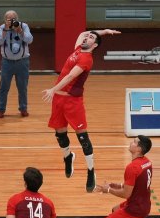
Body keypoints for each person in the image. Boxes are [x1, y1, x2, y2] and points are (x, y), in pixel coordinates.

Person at [42, 29, 121, 192]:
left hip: (73, 101)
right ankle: (68, 157)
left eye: (91, 38)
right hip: (59, 100)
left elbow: (71, 76)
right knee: (60, 134)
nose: (86, 37)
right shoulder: (78, 49)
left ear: (95, 45)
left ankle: (91, 171)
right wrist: (103, 31)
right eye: (87, 36)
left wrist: (52, 89)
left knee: (83, 137)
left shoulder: (87, 59)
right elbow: (82, 33)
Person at [96, 135, 153, 218]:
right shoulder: (147, 162)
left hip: (135, 210)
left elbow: (126, 194)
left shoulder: (132, 167)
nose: (131, 143)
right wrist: (118, 185)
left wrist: (108, 190)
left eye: (134, 142)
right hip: (144, 204)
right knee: (115, 210)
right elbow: (139, 184)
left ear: (139, 149)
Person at [0, 10, 33, 118]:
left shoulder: (24, 26)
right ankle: (1, 109)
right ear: (5, 20)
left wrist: (20, 31)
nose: (12, 22)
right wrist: (5, 30)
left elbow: (30, 40)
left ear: (17, 19)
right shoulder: (2, 27)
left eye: (13, 19)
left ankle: (23, 109)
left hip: (22, 62)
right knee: (3, 87)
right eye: (9, 19)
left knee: (22, 87)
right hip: (7, 63)